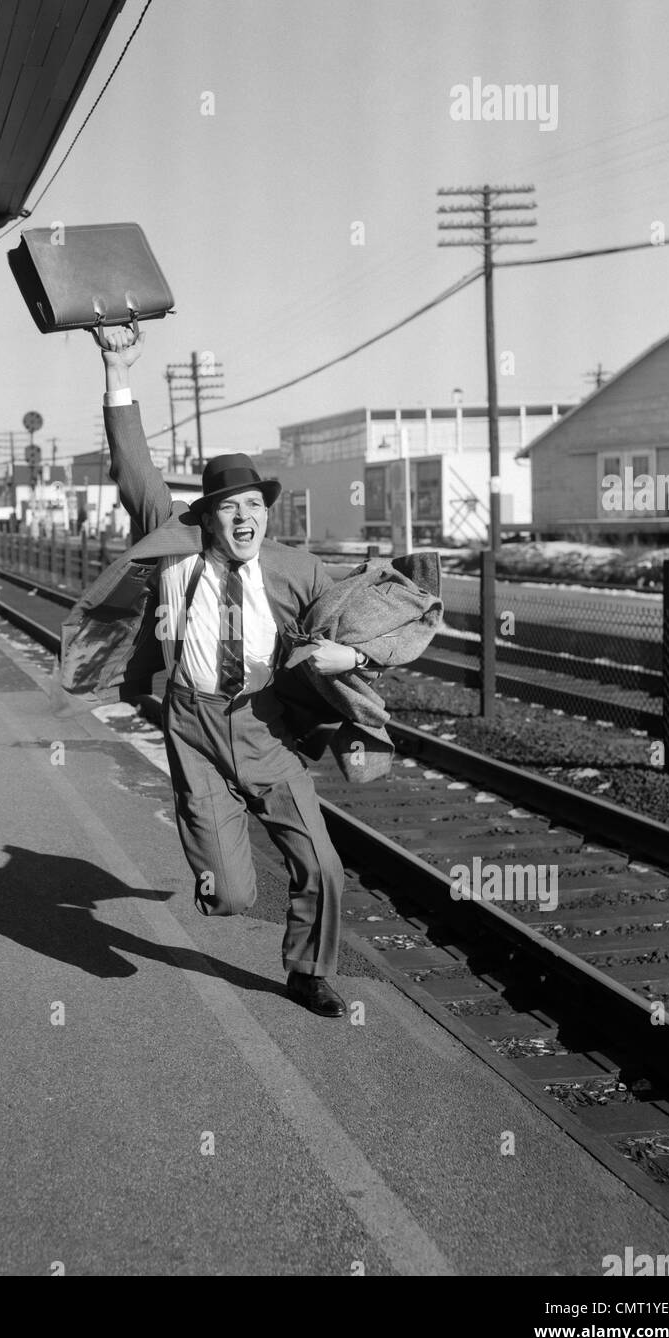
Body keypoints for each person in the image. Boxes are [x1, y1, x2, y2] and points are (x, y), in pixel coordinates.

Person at [70, 327, 389, 1017]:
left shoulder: (297, 568)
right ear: (207, 516)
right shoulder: (176, 546)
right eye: (229, 507)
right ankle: (221, 873)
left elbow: (378, 609)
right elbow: (135, 472)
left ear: (266, 512)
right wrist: (116, 367)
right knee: (232, 897)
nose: (244, 518)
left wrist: (353, 655)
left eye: (254, 506)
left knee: (323, 867)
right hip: (195, 725)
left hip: (267, 726)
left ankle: (309, 971)